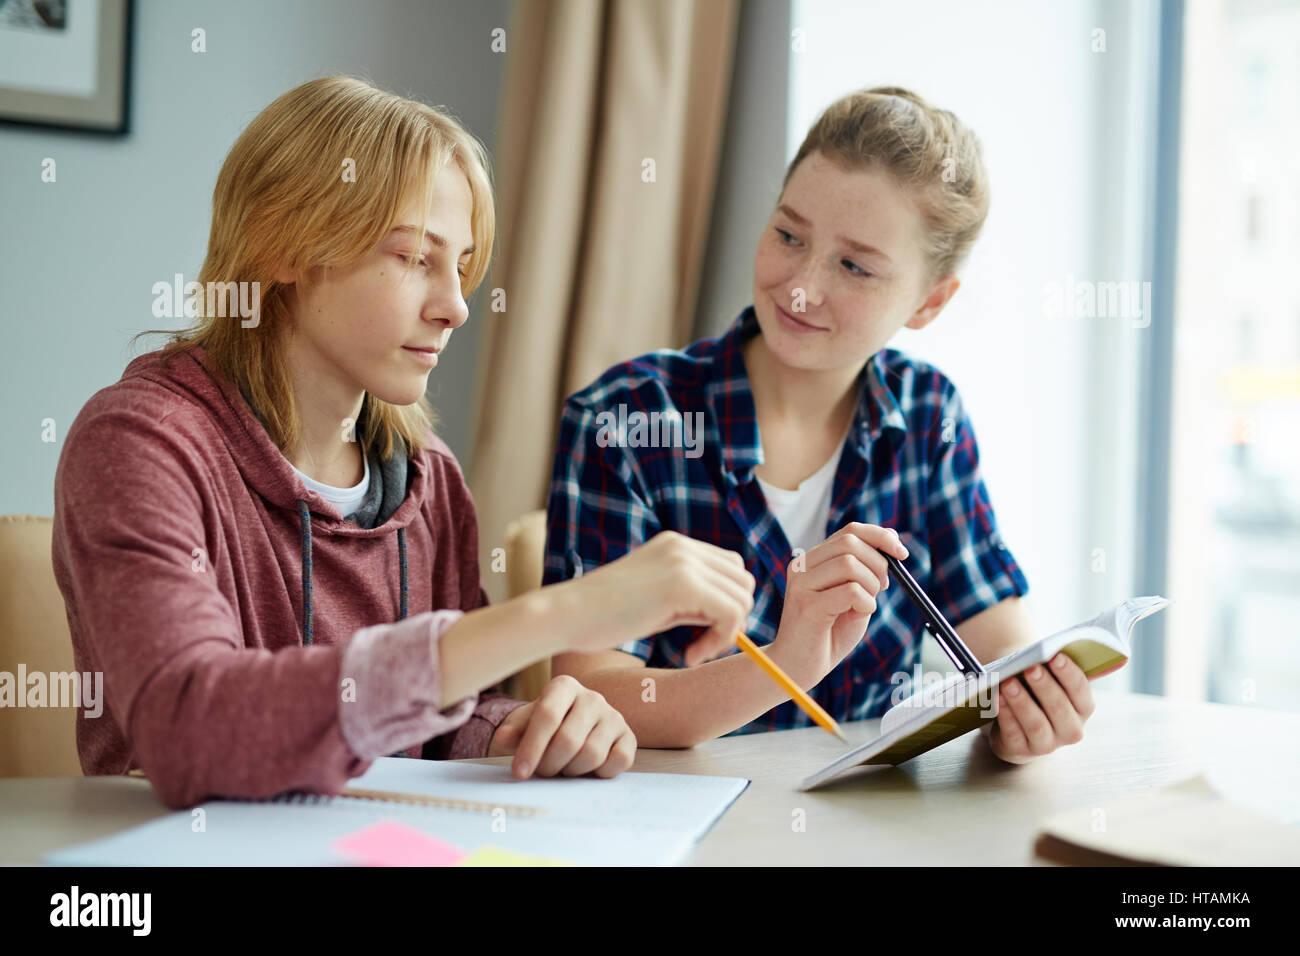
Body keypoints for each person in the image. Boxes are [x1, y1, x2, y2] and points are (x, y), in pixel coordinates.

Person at [50, 76, 754, 810]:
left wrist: (523, 729)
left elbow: (447, 718)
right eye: (416, 257)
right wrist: (565, 612)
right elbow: (189, 729)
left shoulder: (430, 482)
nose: (455, 306)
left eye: (462, 266)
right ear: (283, 246)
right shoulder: (139, 444)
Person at [543, 87, 1096, 762]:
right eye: (788, 234)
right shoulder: (629, 418)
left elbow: (993, 634)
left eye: (855, 265)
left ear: (929, 303)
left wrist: (1022, 716)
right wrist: (785, 663)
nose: (801, 285)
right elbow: (591, 689)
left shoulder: (927, 416)